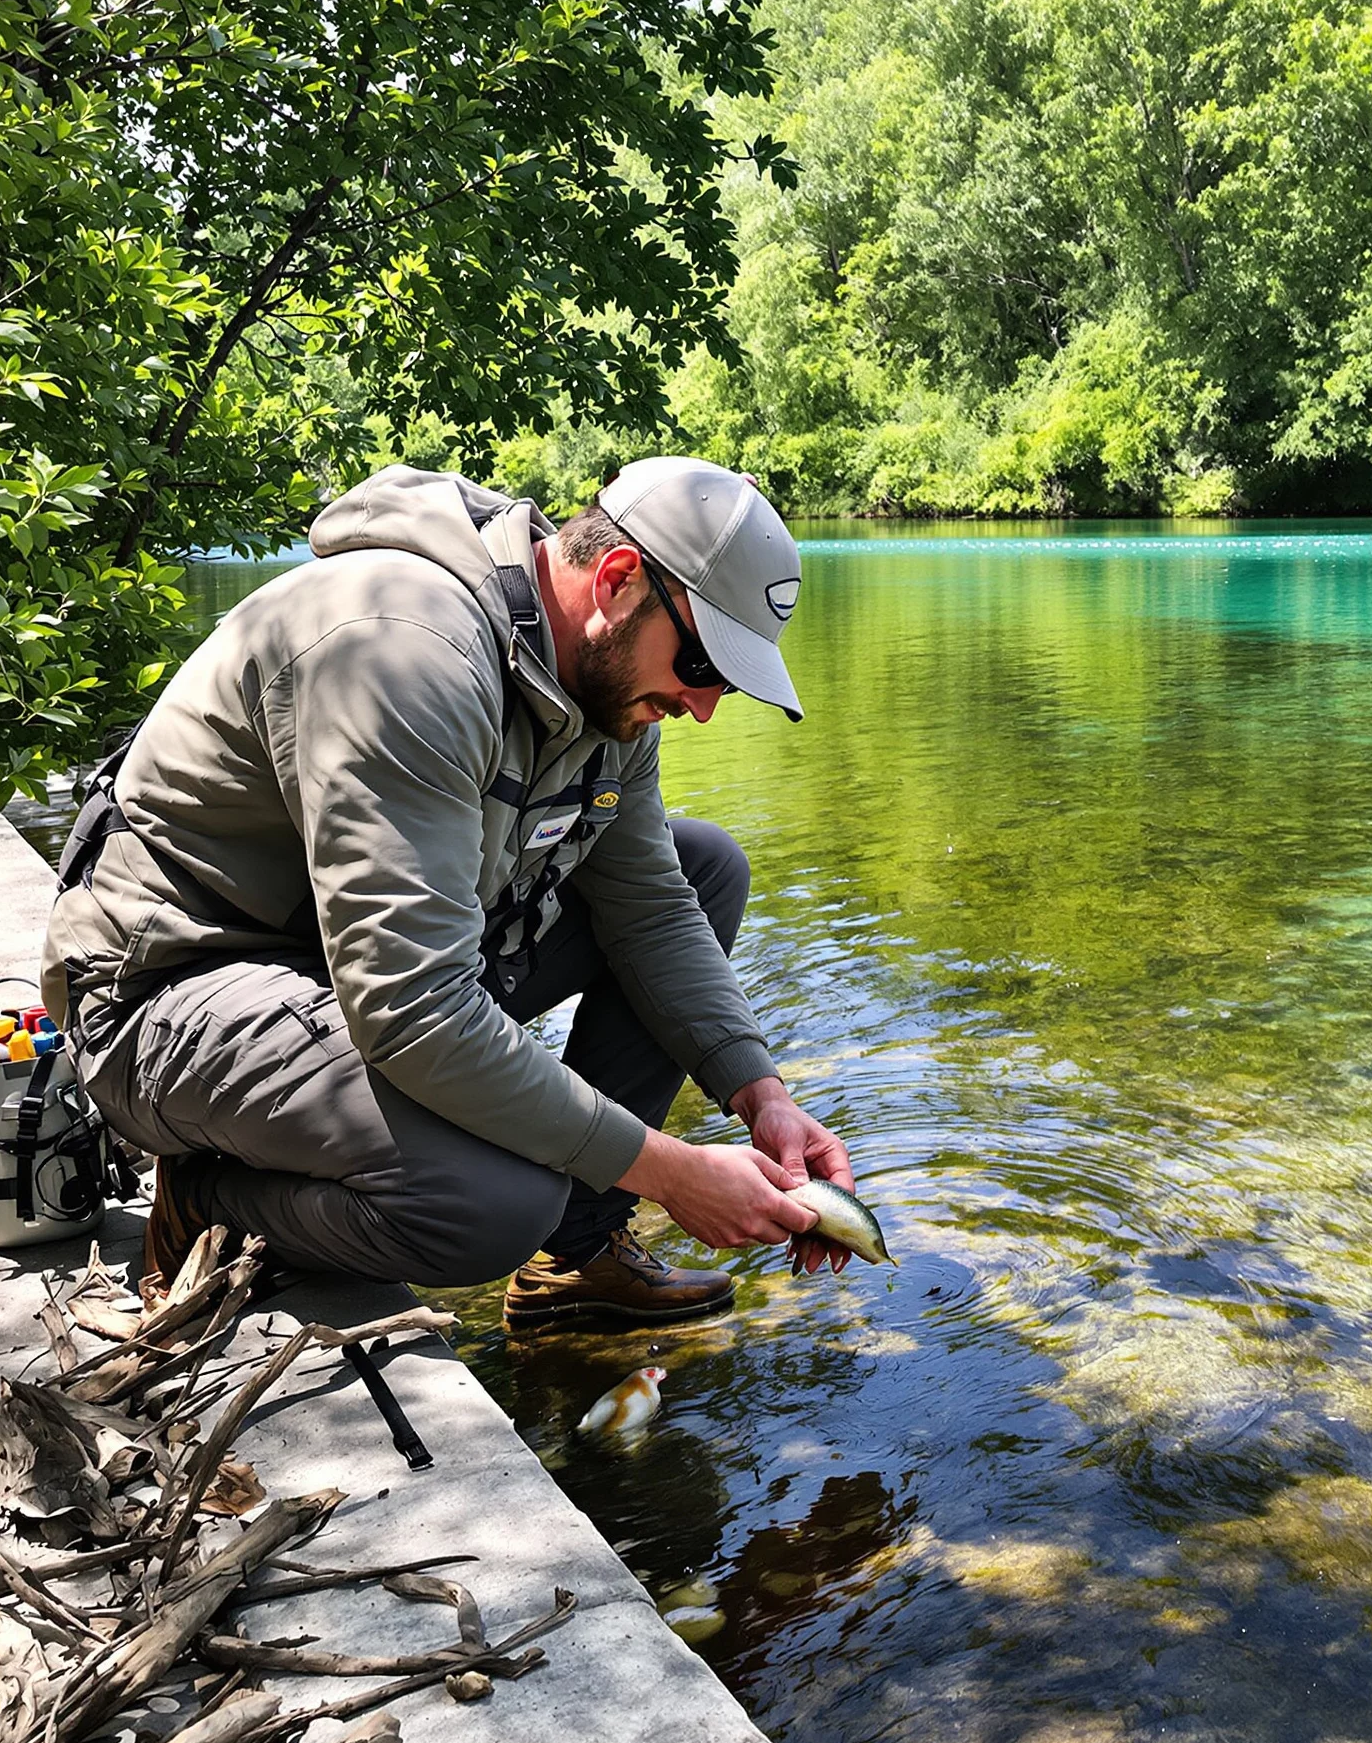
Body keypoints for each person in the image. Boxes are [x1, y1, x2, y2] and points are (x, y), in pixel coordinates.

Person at [42, 457, 855, 1326]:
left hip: (341, 975)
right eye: (700, 662)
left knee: (703, 867)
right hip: (170, 989)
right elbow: (413, 1010)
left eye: (726, 680)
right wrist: (670, 1171)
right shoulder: (404, 652)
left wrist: (760, 1094)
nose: (703, 705)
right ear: (617, 582)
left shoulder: (608, 689)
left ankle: (577, 1254)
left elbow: (652, 907)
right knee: (493, 1203)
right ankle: (210, 1195)